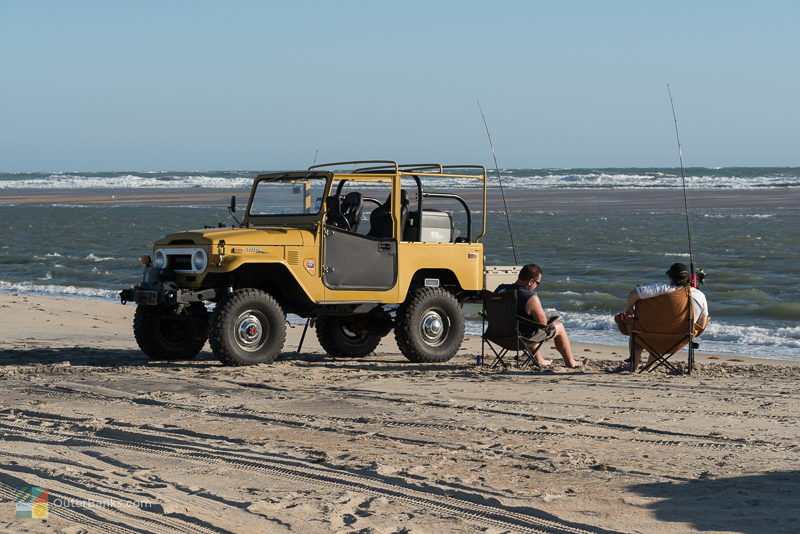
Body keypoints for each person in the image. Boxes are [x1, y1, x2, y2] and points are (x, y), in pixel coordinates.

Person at [495, 264, 588, 368]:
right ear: (530, 281)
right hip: (519, 339)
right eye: (537, 283)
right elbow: (542, 325)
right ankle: (571, 362)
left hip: (497, 335)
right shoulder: (530, 297)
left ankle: (540, 360)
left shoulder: (500, 289)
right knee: (559, 327)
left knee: (526, 326)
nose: (536, 286)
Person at [621, 262, 711, 368]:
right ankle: (649, 365)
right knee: (664, 333)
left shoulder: (661, 289)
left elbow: (633, 295)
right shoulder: (699, 295)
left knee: (638, 328)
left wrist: (629, 308)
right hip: (679, 339)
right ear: (688, 279)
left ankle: (634, 363)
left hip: (646, 336)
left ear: (670, 277)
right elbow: (701, 324)